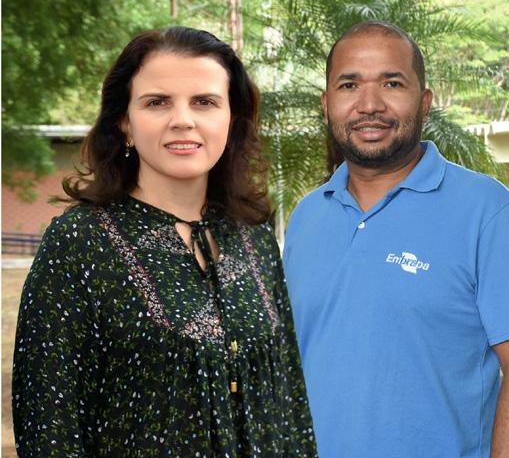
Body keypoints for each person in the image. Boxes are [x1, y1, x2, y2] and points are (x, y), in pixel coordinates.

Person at [13, 26, 317, 457]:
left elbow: (291, 402)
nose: (183, 120)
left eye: (204, 102)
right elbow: (49, 425)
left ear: (231, 120)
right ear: (124, 121)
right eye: (157, 102)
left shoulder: (254, 236)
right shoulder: (79, 242)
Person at [283, 20, 509, 458]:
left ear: (425, 102)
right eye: (349, 85)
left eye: (392, 83)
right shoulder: (306, 217)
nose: (369, 104)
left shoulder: (489, 213)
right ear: (327, 103)